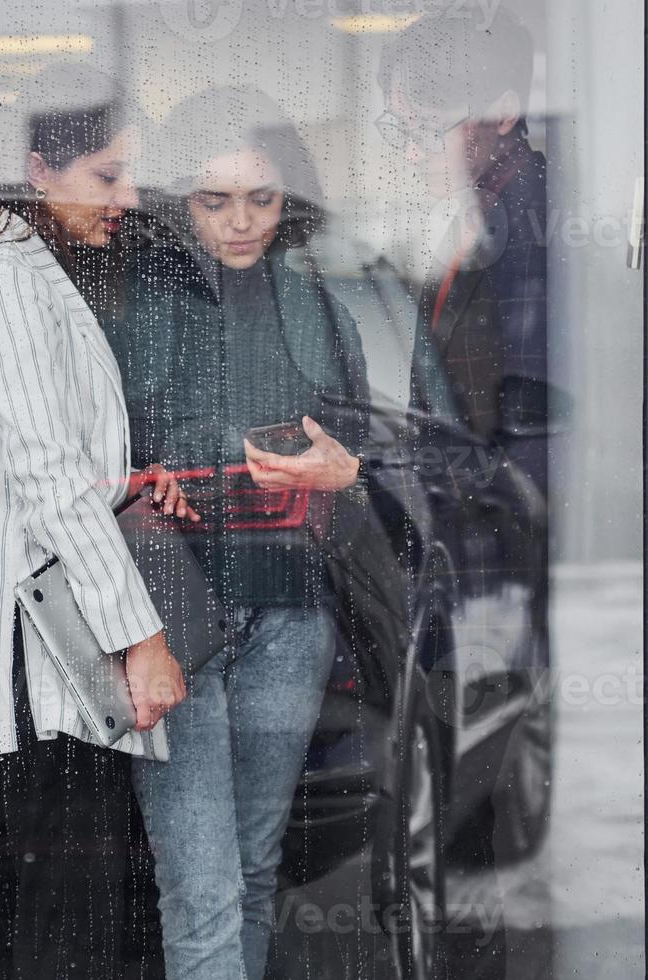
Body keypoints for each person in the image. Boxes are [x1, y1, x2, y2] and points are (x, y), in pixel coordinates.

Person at [0, 65, 195, 979]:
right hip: (41, 648)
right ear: (40, 169)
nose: (125, 198)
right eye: (106, 176)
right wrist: (144, 638)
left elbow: (48, 464)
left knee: (27, 916)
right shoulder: (7, 282)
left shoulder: (31, 272)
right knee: (64, 929)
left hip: (46, 640)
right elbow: (45, 477)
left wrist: (123, 484)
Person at [102, 86, 371, 980]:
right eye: (214, 200)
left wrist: (344, 473)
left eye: (261, 198)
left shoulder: (314, 304)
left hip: (289, 613)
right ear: (179, 200)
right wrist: (155, 474)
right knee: (204, 889)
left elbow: (359, 451)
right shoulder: (133, 299)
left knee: (253, 872)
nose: (240, 222)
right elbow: (92, 461)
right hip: (171, 619)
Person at [378, 9, 552, 496]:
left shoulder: (538, 230)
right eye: (401, 130)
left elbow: (534, 422)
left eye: (430, 130)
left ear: (503, 113)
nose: (412, 153)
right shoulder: (481, 215)